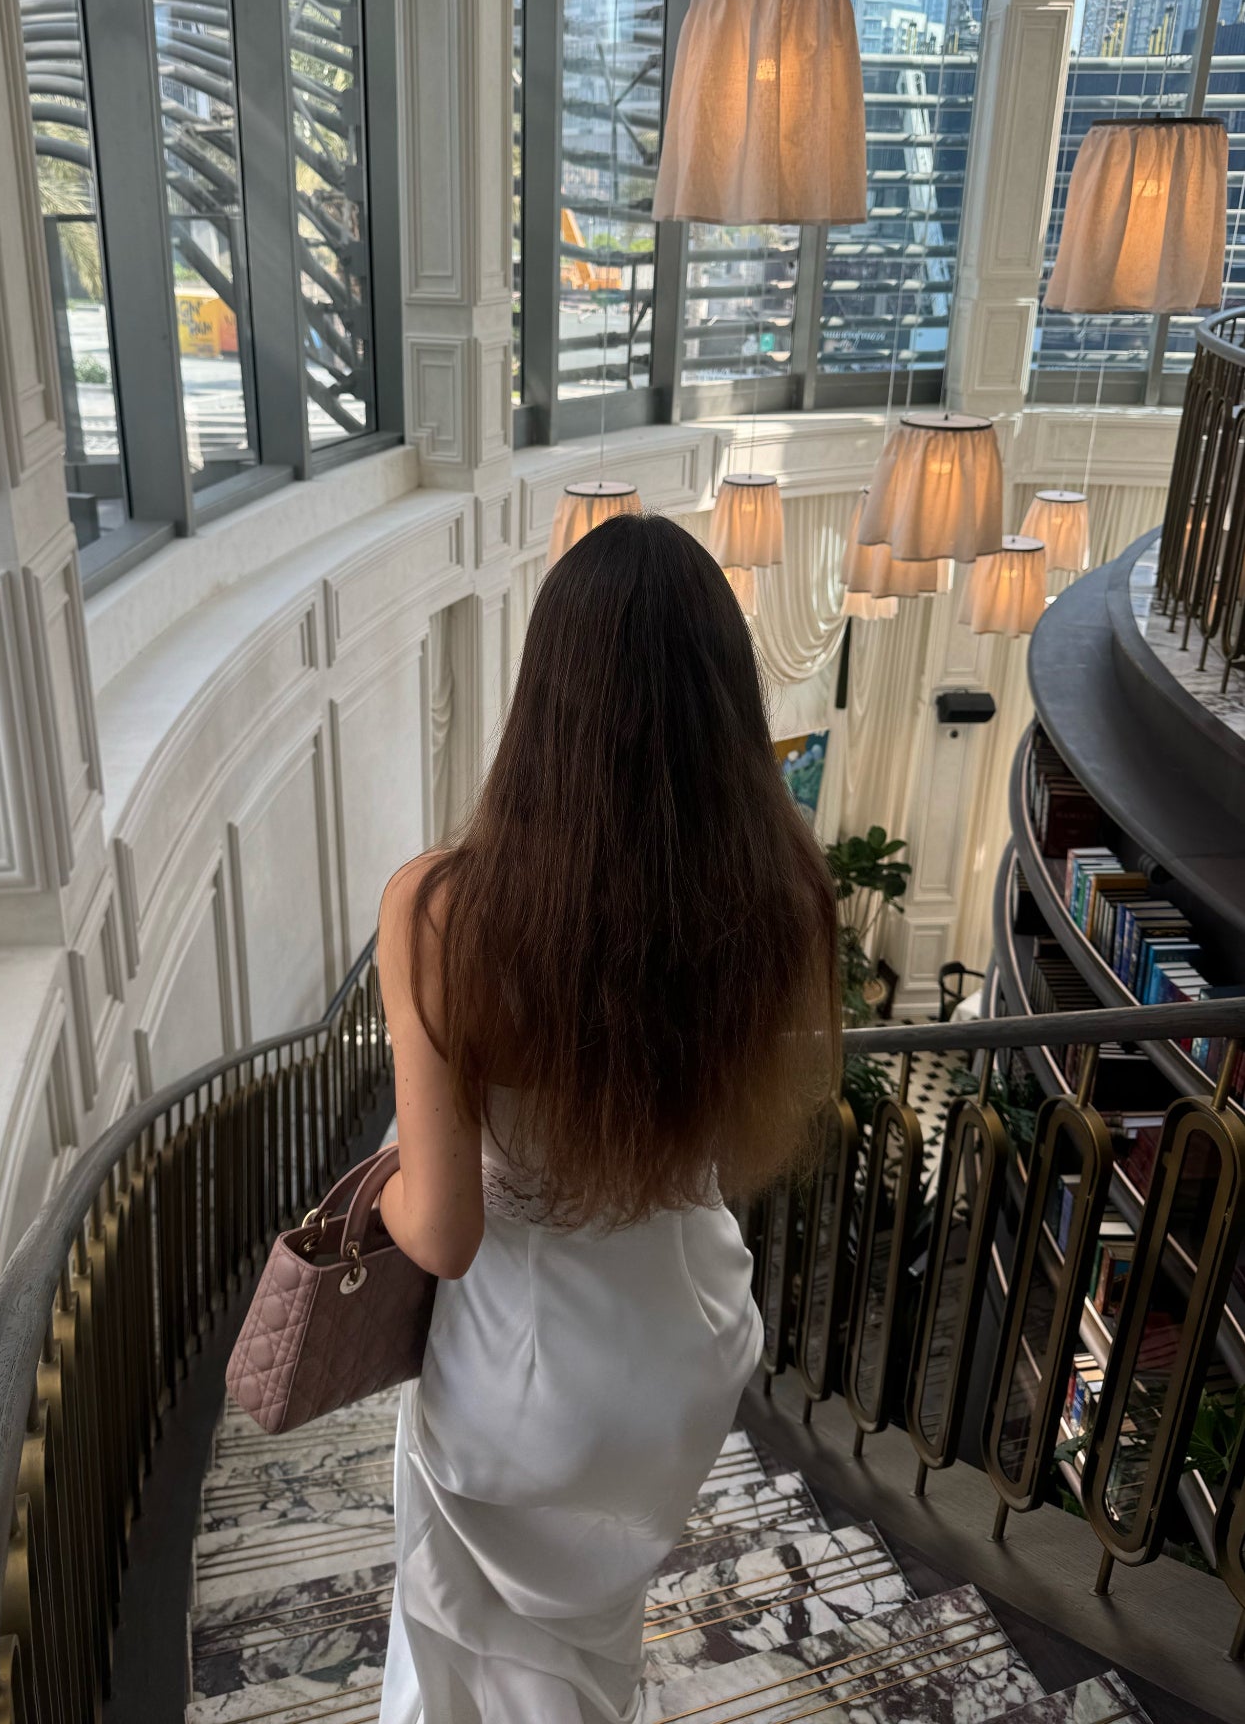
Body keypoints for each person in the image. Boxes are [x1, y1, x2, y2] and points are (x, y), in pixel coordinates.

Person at [374, 512, 840, 1724]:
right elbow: (730, 1152)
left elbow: (442, 1234)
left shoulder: (437, 911)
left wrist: (372, 1184)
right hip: (672, 1352)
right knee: (591, 1642)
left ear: (545, 697)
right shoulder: (783, 894)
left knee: (474, 1661)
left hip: (519, 1384)